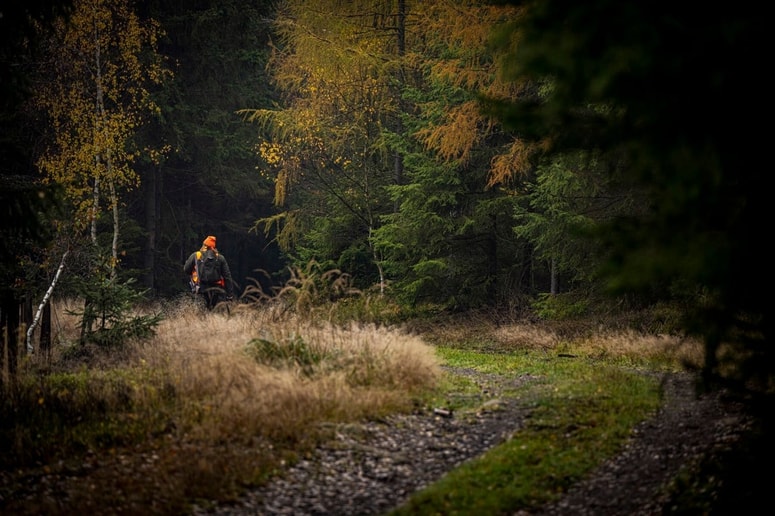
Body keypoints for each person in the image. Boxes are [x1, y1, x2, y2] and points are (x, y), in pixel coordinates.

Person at [183, 235, 235, 310]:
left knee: (201, 314)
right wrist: (230, 295)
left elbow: (186, 270)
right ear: (213, 247)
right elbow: (227, 277)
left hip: (200, 289)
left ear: (204, 245)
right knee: (215, 315)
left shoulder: (196, 255)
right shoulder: (220, 258)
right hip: (217, 292)